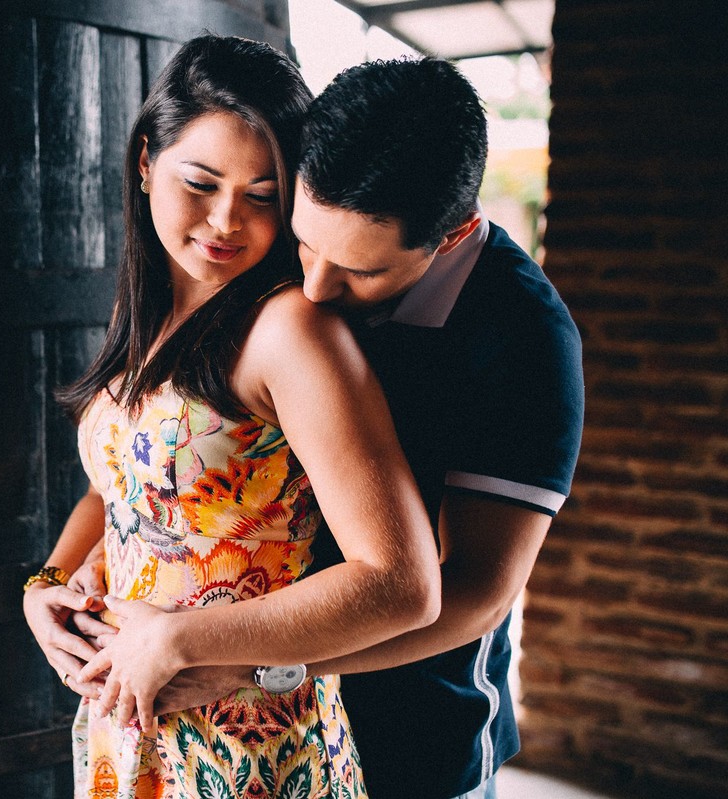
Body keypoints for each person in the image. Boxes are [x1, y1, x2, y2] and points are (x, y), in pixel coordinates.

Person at [110, 58, 585, 799]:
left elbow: (476, 592)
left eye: (360, 271)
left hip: (417, 732)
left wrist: (258, 665)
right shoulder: (276, 249)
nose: (315, 287)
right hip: (243, 728)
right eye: (306, 243)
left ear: (453, 233)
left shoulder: (523, 338)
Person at [21, 35, 442, 798]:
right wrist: (48, 580)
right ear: (146, 161)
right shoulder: (148, 306)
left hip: (250, 744)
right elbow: (124, 486)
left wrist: (181, 637)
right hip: (129, 730)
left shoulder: (291, 331)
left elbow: (403, 581)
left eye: (261, 196)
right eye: (201, 182)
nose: (225, 222)